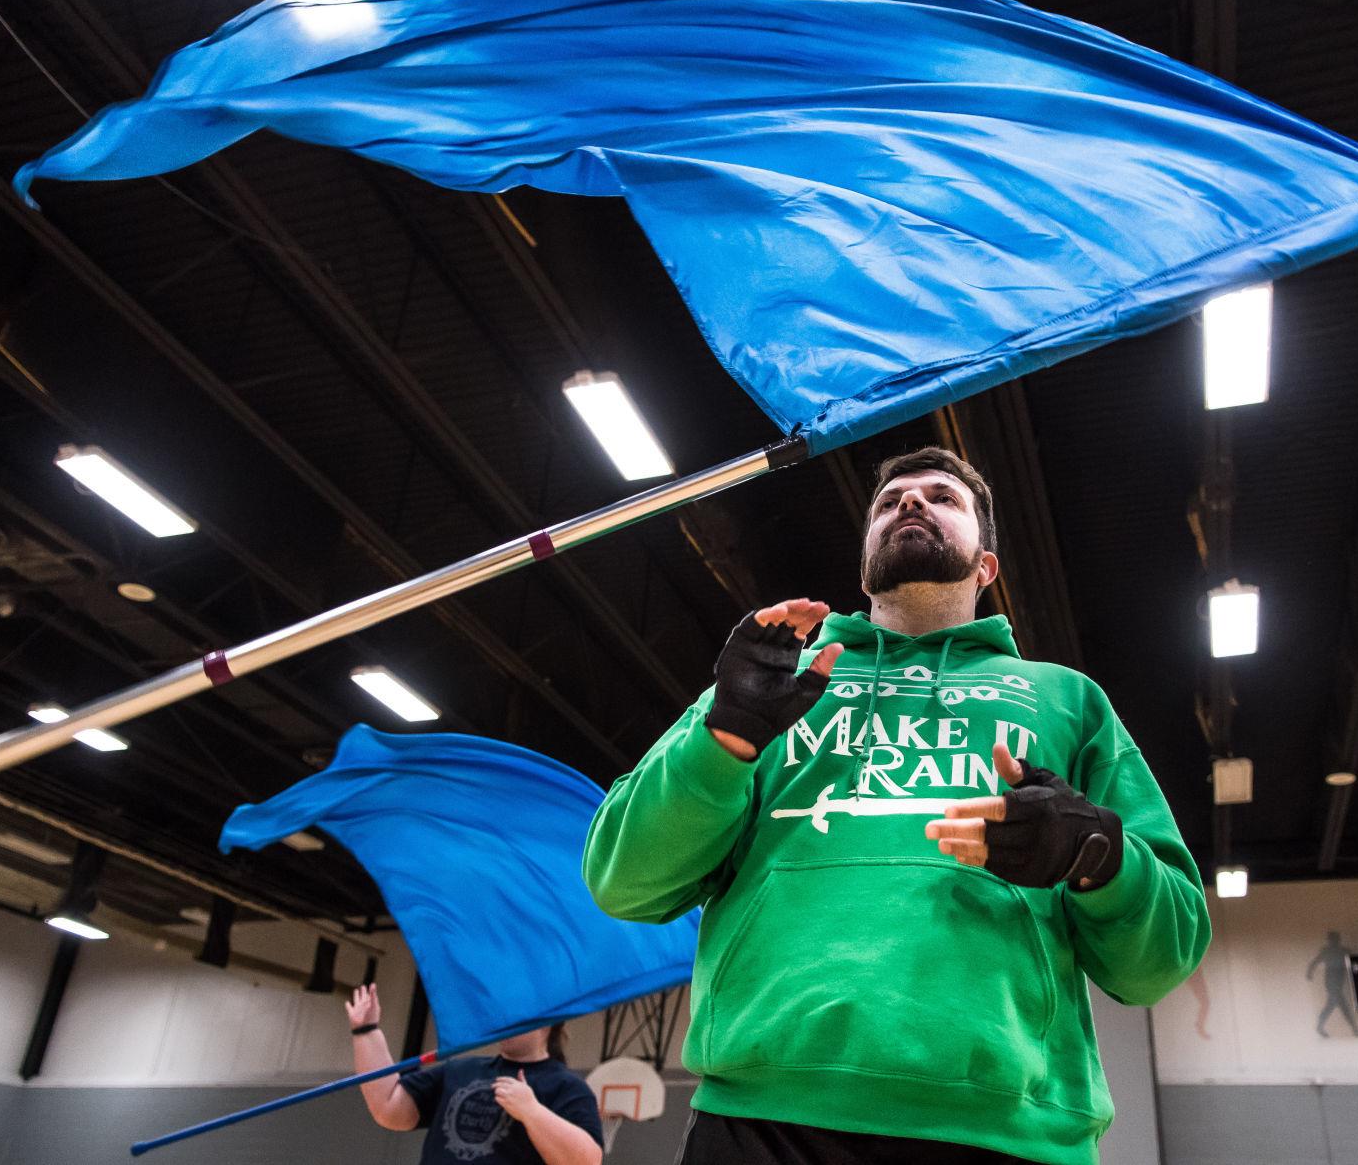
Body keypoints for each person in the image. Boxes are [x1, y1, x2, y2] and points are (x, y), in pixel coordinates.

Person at [584, 447, 1210, 1165]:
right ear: (862, 568)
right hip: (763, 1118)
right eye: (889, 502)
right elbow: (621, 878)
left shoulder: (1067, 699)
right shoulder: (772, 684)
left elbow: (1157, 962)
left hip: (1008, 1130)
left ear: (986, 565)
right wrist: (720, 741)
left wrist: (1097, 855)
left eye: (941, 497)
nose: (909, 504)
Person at [345, 983, 603, 1165]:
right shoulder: (461, 1069)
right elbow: (390, 1109)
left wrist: (532, 1112)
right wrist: (366, 1031)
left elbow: (587, 1160)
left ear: (548, 1021)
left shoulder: (568, 1087)